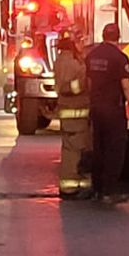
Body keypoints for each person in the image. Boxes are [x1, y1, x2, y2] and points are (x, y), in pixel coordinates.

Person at [86, 23, 129, 203]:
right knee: (114, 151)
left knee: (98, 149)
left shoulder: (92, 55)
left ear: (103, 35)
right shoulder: (120, 58)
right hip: (113, 110)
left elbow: (88, 83)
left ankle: (97, 189)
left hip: (96, 108)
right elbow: (126, 87)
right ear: (118, 37)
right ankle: (109, 192)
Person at [54, 30, 92, 199]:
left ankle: (76, 186)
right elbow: (67, 86)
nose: (82, 45)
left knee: (74, 149)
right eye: (79, 42)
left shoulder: (66, 60)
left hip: (73, 114)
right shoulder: (69, 62)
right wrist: (85, 82)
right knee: (73, 151)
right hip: (74, 114)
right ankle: (70, 189)